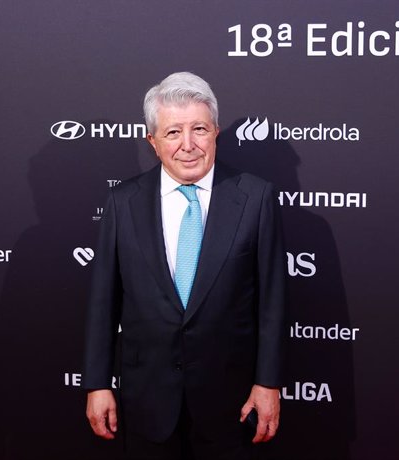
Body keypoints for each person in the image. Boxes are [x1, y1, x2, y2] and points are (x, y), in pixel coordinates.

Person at [83, 71, 286, 459]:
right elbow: (102, 302)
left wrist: (268, 384)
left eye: (199, 129)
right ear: (153, 142)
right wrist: (97, 384)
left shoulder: (255, 198)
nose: (188, 145)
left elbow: (273, 304)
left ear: (216, 133)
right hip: (147, 402)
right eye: (174, 132)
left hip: (231, 402)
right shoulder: (123, 202)